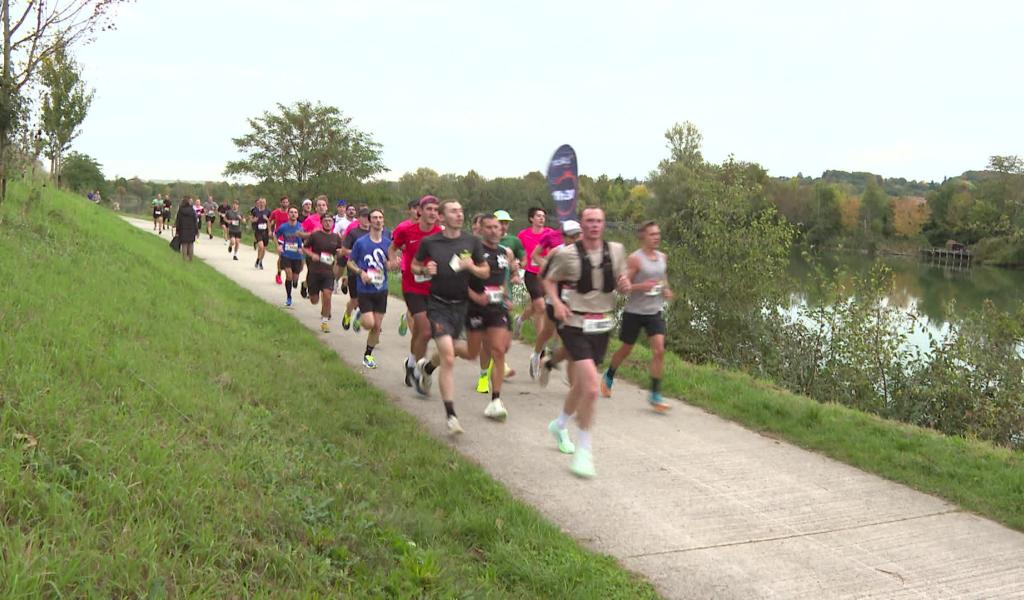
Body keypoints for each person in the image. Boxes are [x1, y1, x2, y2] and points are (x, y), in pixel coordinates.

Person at [542, 207, 629, 478]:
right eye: (589, 221)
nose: (594, 225)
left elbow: (620, 279)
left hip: (600, 323)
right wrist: (556, 302)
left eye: (599, 221)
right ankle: (584, 451)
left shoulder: (616, 251)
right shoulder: (566, 254)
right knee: (592, 388)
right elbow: (547, 279)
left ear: (604, 225)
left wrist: (624, 283)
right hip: (572, 322)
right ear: (582, 224)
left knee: (581, 386)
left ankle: (559, 424)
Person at [412, 199, 489, 434]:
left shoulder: (472, 241)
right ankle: (451, 415)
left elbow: (484, 271)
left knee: (461, 352)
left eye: (461, 211)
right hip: (438, 305)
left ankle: (426, 368)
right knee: (449, 357)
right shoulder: (430, 242)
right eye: (454, 211)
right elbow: (415, 266)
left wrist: (471, 267)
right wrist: (426, 270)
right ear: (442, 218)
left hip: (462, 307)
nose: (459, 214)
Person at [601, 220, 673, 411]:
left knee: (659, 350)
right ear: (643, 236)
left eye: (658, 234)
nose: (656, 237)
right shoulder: (635, 259)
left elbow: (663, 278)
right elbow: (624, 288)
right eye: (652, 234)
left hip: (654, 312)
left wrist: (666, 289)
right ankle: (609, 374)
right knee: (626, 349)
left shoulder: (662, 257)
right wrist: (642, 286)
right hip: (634, 312)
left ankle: (655, 394)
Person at [465, 214, 515, 420]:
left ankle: (495, 400)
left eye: (497, 227)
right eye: (490, 227)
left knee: (499, 349)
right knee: (471, 352)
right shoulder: (469, 251)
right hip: (474, 308)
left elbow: (502, 277)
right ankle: (431, 363)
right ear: (481, 229)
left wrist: (504, 295)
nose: (495, 230)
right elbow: (456, 280)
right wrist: (475, 296)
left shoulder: (504, 253)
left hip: (496, 308)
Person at [389, 195, 442, 386]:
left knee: (420, 331)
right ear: (420, 210)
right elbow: (393, 247)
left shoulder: (440, 233)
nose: (433, 213)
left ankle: (411, 363)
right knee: (426, 331)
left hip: (434, 289)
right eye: (429, 209)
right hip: (412, 286)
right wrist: (393, 259)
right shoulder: (406, 230)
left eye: (436, 210)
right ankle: (421, 372)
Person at [534, 220, 583, 387]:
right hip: (556, 302)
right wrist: (553, 295)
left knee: (573, 342)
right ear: (564, 237)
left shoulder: (587, 253)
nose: (576, 239)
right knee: (547, 332)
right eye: (572, 236)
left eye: (578, 235)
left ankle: (573, 382)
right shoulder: (557, 252)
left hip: (577, 304)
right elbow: (542, 274)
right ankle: (537, 355)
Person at [348, 208, 394, 368]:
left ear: (383, 220)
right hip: (365, 289)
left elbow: (389, 264)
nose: (378, 220)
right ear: (369, 220)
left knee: (377, 326)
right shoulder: (361, 243)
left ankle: (367, 356)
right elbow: (350, 262)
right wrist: (360, 273)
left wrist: (393, 264)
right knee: (368, 324)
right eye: (374, 217)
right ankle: (361, 316)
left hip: (382, 289)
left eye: (380, 217)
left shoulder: (388, 244)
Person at [514, 207, 558, 340]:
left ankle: (520, 319)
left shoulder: (550, 233)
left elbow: (559, 246)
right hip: (531, 274)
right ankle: (541, 344)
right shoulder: (523, 234)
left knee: (535, 306)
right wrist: (517, 265)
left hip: (547, 275)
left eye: (543, 216)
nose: (541, 218)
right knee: (540, 306)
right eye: (538, 216)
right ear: (531, 218)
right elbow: (517, 251)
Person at [303, 214, 343, 332]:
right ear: (321, 222)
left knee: (327, 295)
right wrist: (312, 255)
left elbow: (339, 252)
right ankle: (307, 288)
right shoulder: (315, 235)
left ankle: (325, 321)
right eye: (325, 221)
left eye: (330, 221)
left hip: (328, 272)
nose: (328, 223)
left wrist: (340, 252)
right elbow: (304, 248)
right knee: (314, 300)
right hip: (314, 271)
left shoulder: (336, 237)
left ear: (333, 223)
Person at [340, 208, 371, 331]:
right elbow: (344, 250)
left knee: (370, 297)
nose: (366, 220)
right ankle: (348, 314)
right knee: (355, 299)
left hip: (370, 271)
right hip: (354, 268)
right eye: (363, 217)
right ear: (359, 218)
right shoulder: (353, 233)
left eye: (368, 217)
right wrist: (356, 252)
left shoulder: (374, 233)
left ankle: (364, 319)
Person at [275, 207, 304, 306]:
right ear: (288, 214)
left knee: (295, 278)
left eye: (295, 212)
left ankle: (295, 282)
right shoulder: (283, 227)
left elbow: (307, 238)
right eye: (291, 212)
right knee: (288, 275)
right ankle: (289, 297)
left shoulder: (301, 227)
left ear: (297, 215)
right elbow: (275, 235)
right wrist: (278, 246)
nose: (293, 214)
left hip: (297, 256)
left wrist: (303, 248)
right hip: (286, 254)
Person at [268, 196, 291, 284]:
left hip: (289, 237)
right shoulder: (276, 212)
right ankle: (279, 274)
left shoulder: (291, 212)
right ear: (281, 203)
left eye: (287, 202)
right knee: (281, 256)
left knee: (289, 256)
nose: (285, 204)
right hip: (279, 237)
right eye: (284, 202)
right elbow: (269, 221)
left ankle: (288, 272)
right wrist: (270, 230)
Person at [250, 197, 271, 270]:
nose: (261, 203)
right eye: (260, 202)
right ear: (258, 203)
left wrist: (267, 220)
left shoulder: (268, 211)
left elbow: (270, 222)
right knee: (261, 246)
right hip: (258, 231)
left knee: (264, 249)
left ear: (265, 203)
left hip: (265, 231)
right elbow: (251, 219)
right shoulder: (255, 211)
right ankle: (258, 260)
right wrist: (254, 220)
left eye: (263, 202)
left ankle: (260, 261)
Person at [174, 197, 198, 261]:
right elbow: (195, 220)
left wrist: (177, 231)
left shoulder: (181, 210)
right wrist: (196, 231)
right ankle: (190, 260)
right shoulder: (192, 210)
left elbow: (178, 221)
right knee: (191, 244)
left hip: (183, 229)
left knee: (184, 244)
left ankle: (184, 259)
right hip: (191, 229)